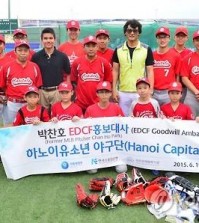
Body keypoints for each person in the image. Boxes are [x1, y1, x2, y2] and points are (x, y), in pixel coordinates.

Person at [112, 19, 154, 116]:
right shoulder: (118, 49)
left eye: (135, 31)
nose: (132, 33)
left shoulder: (146, 49)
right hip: (123, 92)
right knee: (125, 122)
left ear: (139, 33)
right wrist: (114, 89)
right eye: (129, 30)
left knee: (141, 120)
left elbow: (150, 71)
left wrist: (150, 90)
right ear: (125, 33)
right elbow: (115, 71)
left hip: (140, 92)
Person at [84, 81, 127, 173]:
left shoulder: (116, 107)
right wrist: (87, 123)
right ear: (97, 94)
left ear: (110, 93)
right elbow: (84, 132)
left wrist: (122, 121)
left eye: (106, 92)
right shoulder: (90, 109)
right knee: (91, 170)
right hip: (97, 148)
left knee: (122, 169)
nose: (104, 95)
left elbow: (124, 128)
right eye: (101, 92)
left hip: (114, 148)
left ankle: (110, 162)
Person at [0, 40, 42, 126]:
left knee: (31, 127)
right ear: (15, 51)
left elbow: (38, 86)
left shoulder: (34, 67)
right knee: (11, 128)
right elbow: (2, 85)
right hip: (13, 103)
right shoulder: (7, 67)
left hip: (30, 103)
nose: (23, 53)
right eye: (20, 50)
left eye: (25, 50)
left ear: (29, 52)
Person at [31, 27, 71, 111]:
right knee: (43, 117)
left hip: (57, 91)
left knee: (57, 117)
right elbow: (33, 75)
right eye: (45, 38)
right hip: (42, 91)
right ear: (42, 40)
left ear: (54, 39)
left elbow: (68, 73)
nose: (48, 41)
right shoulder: (36, 56)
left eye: (50, 38)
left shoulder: (62, 56)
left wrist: (67, 89)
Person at [71, 35, 112, 113]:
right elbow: (74, 81)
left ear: (97, 47)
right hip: (80, 104)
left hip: (98, 104)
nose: (91, 49)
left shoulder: (104, 63)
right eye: (88, 46)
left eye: (93, 46)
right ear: (83, 48)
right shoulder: (77, 62)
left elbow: (108, 82)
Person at [153, 27, 181, 106]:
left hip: (168, 92)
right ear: (156, 39)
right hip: (154, 92)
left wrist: (176, 91)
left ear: (169, 38)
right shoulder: (152, 55)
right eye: (160, 37)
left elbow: (177, 76)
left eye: (165, 37)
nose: (162, 40)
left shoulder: (176, 55)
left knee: (168, 116)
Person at [180, 30, 199, 117]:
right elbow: (184, 78)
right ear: (193, 42)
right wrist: (196, 92)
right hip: (192, 94)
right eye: (197, 40)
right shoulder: (188, 58)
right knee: (189, 121)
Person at [173, 26, 192, 102]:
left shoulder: (190, 53)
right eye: (178, 36)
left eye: (183, 36)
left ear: (187, 38)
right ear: (174, 37)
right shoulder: (169, 51)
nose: (180, 38)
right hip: (171, 87)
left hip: (186, 88)